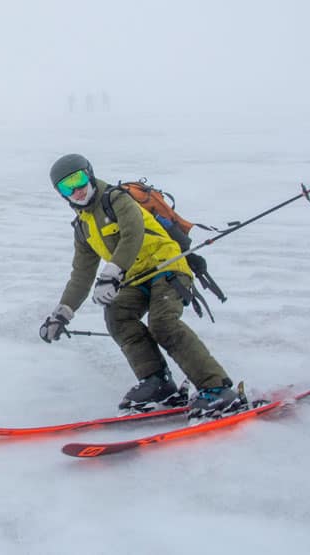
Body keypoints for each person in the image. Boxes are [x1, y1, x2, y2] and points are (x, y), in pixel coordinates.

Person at [39, 153, 243, 423]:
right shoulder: (82, 226)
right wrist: (62, 313)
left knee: (162, 324)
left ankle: (217, 388)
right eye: (66, 187)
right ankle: (157, 383)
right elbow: (82, 274)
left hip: (167, 266)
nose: (75, 190)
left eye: (78, 180)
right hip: (135, 278)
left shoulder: (116, 199)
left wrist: (112, 272)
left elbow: (133, 233)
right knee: (117, 314)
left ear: (89, 174)